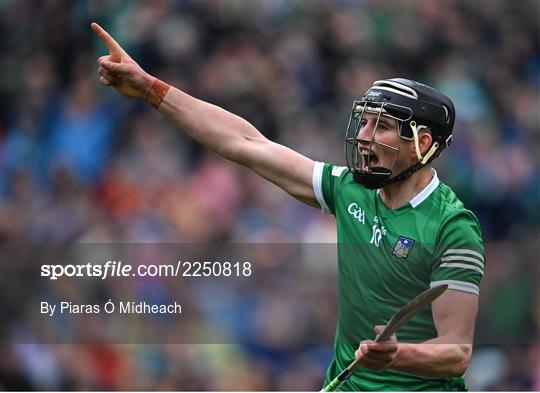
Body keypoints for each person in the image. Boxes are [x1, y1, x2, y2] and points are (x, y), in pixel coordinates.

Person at [91, 22, 485, 391]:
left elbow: (456, 353)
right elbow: (246, 143)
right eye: (363, 123)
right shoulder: (350, 190)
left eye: (379, 126)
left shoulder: (452, 226)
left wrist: (399, 355)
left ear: (421, 142)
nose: (363, 137)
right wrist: (150, 90)